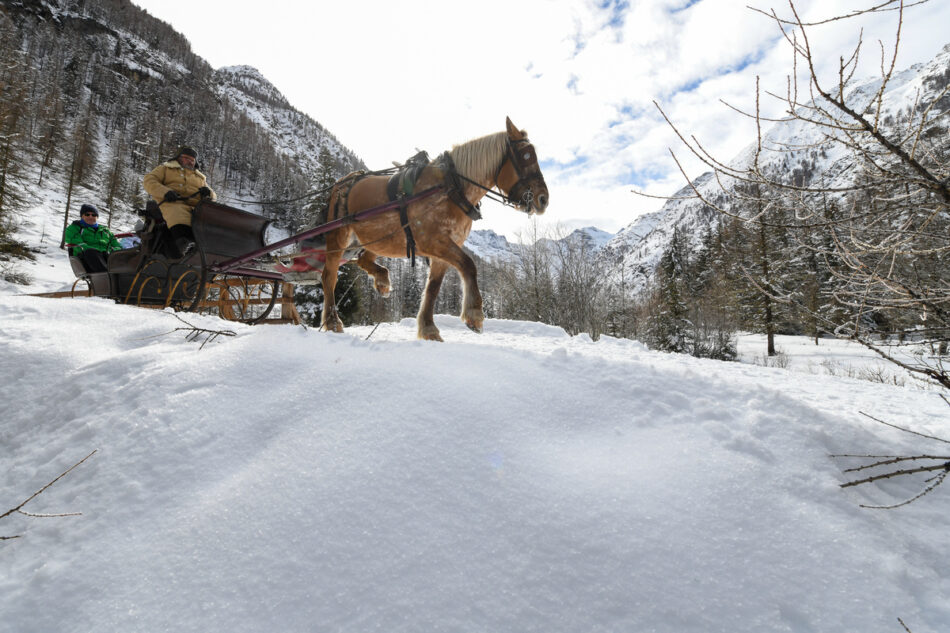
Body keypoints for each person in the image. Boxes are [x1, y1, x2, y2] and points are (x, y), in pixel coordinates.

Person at [143, 145, 215, 257]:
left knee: (214, 218)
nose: (189, 161)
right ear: (178, 158)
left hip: (197, 207)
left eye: (192, 160)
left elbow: (213, 196)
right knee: (179, 212)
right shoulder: (165, 169)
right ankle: (185, 244)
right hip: (173, 202)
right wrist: (165, 192)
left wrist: (208, 193)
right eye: (186, 158)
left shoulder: (200, 178)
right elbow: (149, 181)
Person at [63, 204, 122, 273]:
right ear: (82, 216)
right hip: (86, 259)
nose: (90, 217)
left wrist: (112, 251)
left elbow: (116, 245)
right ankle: (107, 274)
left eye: (93, 215)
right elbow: (79, 244)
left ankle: (127, 274)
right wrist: (98, 252)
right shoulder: (75, 228)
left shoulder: (105, 230)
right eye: (87, 214)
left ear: (97, 217)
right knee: (90, 252)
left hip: (107, 257)